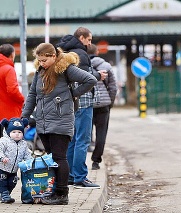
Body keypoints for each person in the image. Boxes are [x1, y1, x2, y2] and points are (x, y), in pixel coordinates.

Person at [21, 43, 97, 205]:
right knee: (51, 158)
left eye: (44, 60)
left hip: (61, 119)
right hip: (43, 121)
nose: (41, 63)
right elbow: (33, 95)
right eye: (39, 60)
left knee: (59, 157)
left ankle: (62, 194)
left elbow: (90, 79)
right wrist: (24, 117)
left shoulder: (65, 69)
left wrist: (72, 95)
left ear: (53, 56)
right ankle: (54, 190)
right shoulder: (40, 72)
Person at [56, 27, 107, 189]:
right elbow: (85, 78)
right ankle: (80, 176)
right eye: (89, 40)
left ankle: (70, 175)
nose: (89, 43)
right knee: (83, 140)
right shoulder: (81, 52)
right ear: (82, 37)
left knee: (72, 139)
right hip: (83, 99)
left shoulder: (63, 51)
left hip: (70, 101)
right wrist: (98, 75)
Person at [87, 44, 117, 170]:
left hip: (87, 104)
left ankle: (81, 161)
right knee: (102, 133)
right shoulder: (106, 66)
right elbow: (113, 87)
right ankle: (96, 161)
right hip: (104, 105)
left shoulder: (83, 66)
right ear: (97, 52)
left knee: (86, 133)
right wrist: (110, 102)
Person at [0, 118, 33, 203]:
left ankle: (6, 194)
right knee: (2, 182)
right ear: (8, 132)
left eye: (19, 132)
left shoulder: (23, 144)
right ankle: (4, 194)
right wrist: (2, 158)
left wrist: (30, 162)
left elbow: (27, 154)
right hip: (2, 167)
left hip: (14, 169)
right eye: (14, 132)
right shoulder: (4, 141)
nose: (17, 134)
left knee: (12, 182)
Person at [0, 44, 25, 137]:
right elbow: (13, 90)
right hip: (9, 114)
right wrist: (22, 99)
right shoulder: (8, 69)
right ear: (12, 55)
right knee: (9, 145)